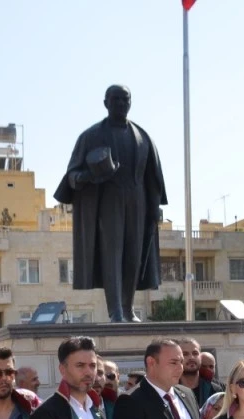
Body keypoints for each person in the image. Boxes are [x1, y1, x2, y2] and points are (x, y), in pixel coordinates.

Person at [55, 85, 167, 322]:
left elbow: (152, 178)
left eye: (125, 99)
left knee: (134, 257)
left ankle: (128, 309)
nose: (120, 104)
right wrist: (91, 175)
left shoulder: (143, 137)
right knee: (112, 256)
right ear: (105, 103)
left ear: (130, 102)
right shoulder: (91, 136)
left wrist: (154, 208)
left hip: (138, 202)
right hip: (107, 202)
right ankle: (115, 310)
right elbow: (72, 176)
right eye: (115, 99)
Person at [178, 337, 223, 406]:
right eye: (185, 354)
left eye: (195, 353)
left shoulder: (215, 390)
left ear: (200, 357)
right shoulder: (170, 390)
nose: (191, 357)